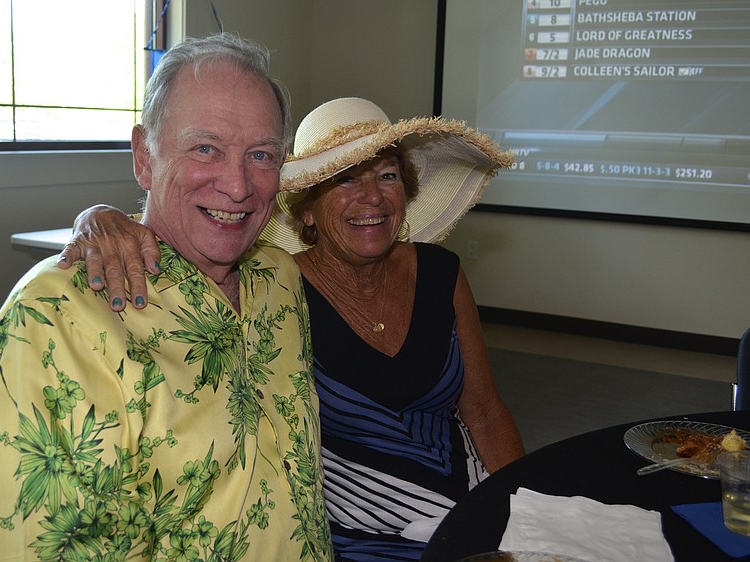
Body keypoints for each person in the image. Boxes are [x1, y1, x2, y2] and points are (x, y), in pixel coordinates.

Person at [59, 98, 525, 561]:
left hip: (471, 503)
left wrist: (528, 507)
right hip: (358, 536)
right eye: (345, 179)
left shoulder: (441, 273)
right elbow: (180, 249)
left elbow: (484, 409)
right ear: (304, 210)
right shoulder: (275, 286)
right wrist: (98, 216)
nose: (374, 197)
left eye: (388, 175)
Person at [0, 34, 333, 562]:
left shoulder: (278, 279)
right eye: (205, 148)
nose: (238, 185)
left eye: (262, 155)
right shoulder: (55, 321)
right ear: (144, 156)